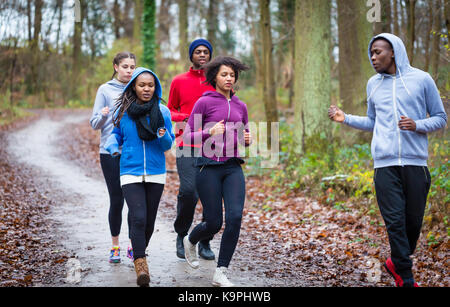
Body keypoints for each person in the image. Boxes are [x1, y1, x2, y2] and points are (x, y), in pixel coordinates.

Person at [328, 33, 447, 287]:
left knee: (412, 223)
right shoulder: (373, 84)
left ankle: (396, 261)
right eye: (371, 53)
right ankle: (405, 277)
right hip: (384, 165)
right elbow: (373, 121)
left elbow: (440, 117)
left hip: (416, 164)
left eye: (378, 52)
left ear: (393, 52)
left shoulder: (421, 80)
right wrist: (345, 118)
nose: (373, 57)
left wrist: (417, 125)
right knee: (395, 221)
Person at [182, 56, 252, 287]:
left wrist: (247, 139)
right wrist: (208, 132)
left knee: (235, 217)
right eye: (224, 74)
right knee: (213, 222)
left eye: (232, 75)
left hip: (232, 167)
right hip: (207, 167)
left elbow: (243, 135)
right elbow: (187, 135)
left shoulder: (241, 105)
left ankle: (221, 271)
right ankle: (191, 240)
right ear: (214, 77)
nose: (229, 78)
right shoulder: (204, 103)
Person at [105, 67, 175, 287]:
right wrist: (113, 146)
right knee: (138, 217)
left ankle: (139, 249)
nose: (146, 89)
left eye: (150, 85)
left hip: (156, 171)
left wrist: (162, 136)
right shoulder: (123, 112)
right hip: (130, 170)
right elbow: (115, 135)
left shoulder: (162, 112)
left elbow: (168, 144)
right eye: (142, 85)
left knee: (149, 222)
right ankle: (140, 263)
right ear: (133, 86)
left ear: (156, 88)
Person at [167, 38, 216, 260]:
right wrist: (186, 118)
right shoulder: (178, 81)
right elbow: (169, 111)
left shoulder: (217, 81)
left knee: (211, 194)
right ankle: (182, 235)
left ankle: (205, 241)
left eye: (206, 51)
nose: (202, 54)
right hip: (186, 142)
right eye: (198, 51)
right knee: (188, 191)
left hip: (214, 144)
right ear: (191, 55)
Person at [90, 52, 136, 263]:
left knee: (134, 201)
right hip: (109, 153)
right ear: (116, 67)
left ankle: (133, 245)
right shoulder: (105, 89)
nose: (129, 70)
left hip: (132, 151)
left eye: (132, 67)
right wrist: (104, 115)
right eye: (125, 66)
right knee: (117, 200)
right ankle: (115, 246)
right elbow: (94, 124)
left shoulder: (137, 87)